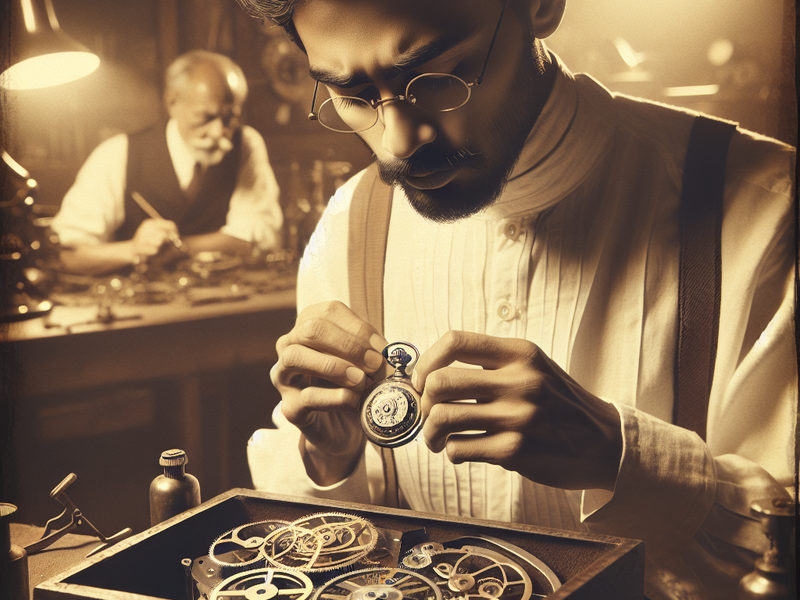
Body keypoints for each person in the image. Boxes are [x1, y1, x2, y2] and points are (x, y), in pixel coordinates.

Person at [236, 1, 797, 598]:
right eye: (351, 93)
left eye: (438, 75)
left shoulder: (768, 208)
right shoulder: (349, 224)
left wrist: (620, 457)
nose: (399, 142)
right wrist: (334, 462)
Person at [50, 50, 283, 275]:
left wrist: (178, 247)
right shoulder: (117, 154)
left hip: (223, 304)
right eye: (206, 117)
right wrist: (133, 249)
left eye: (230, 116)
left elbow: (259, 237)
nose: (218, 132)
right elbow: (68, 254)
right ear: (172, 102)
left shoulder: (246, 144)